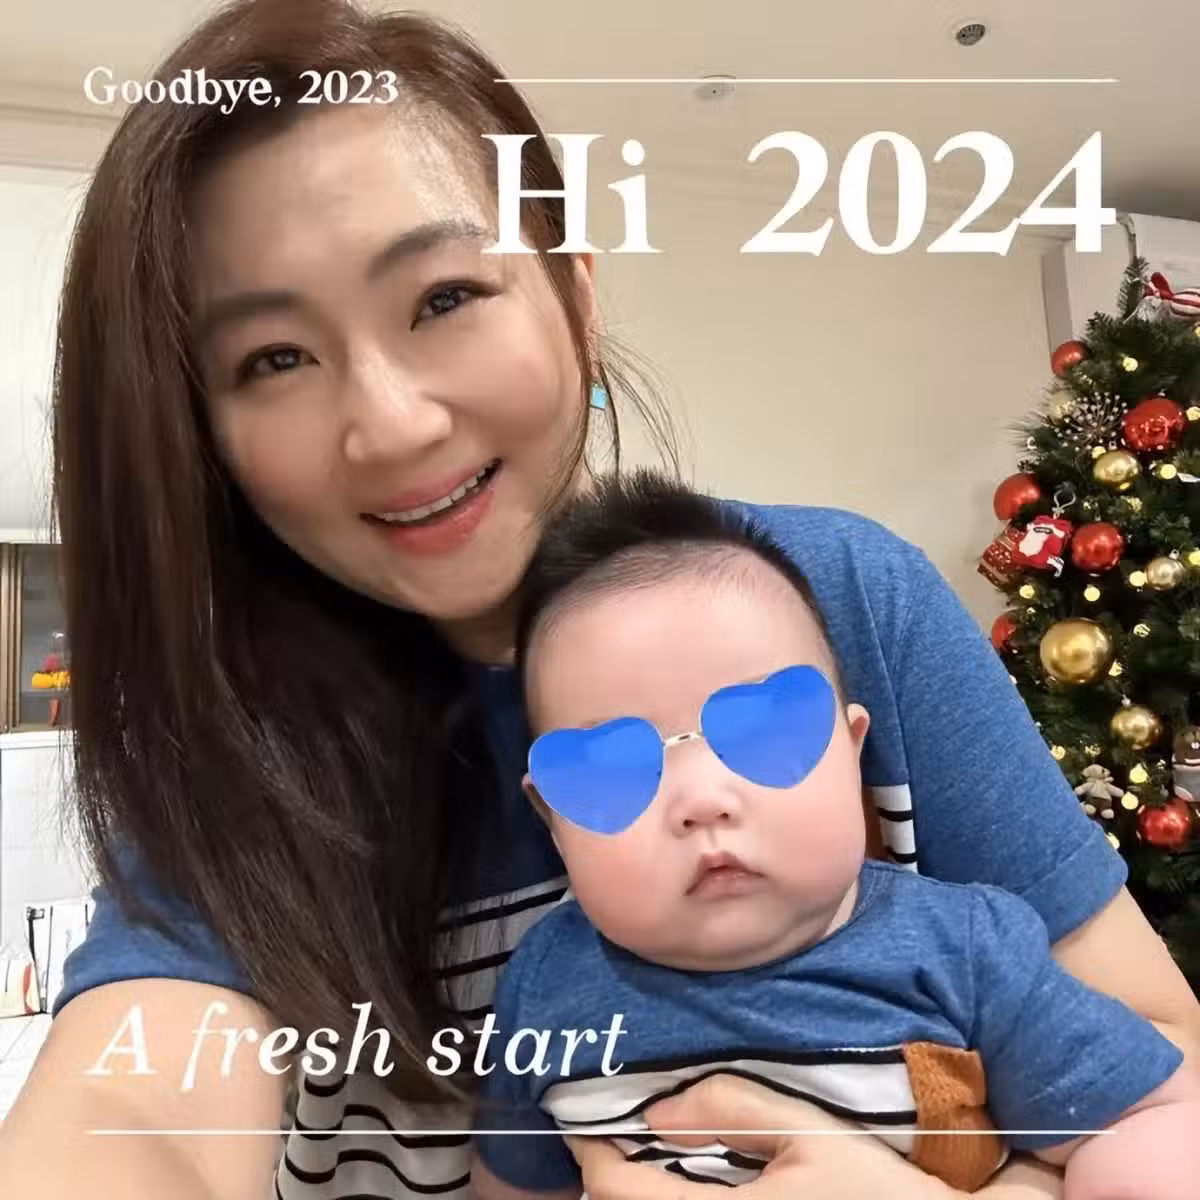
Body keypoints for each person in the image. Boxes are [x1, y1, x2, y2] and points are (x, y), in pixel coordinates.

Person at [0, 1, 1195, 1198]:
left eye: (443, 297)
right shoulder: (236, 732)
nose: (392, 425)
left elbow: (1155, 1061)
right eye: (273, 359)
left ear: (575, 299)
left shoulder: (840, 598)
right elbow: (132, 1110)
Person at [467, 471, 1200, 1200]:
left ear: (852, 751)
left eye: (763, 734)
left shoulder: (967, 954)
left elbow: (1151, 1114)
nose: (701, 800)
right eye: (612, 769)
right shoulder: (544, 985)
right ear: (552, 818)